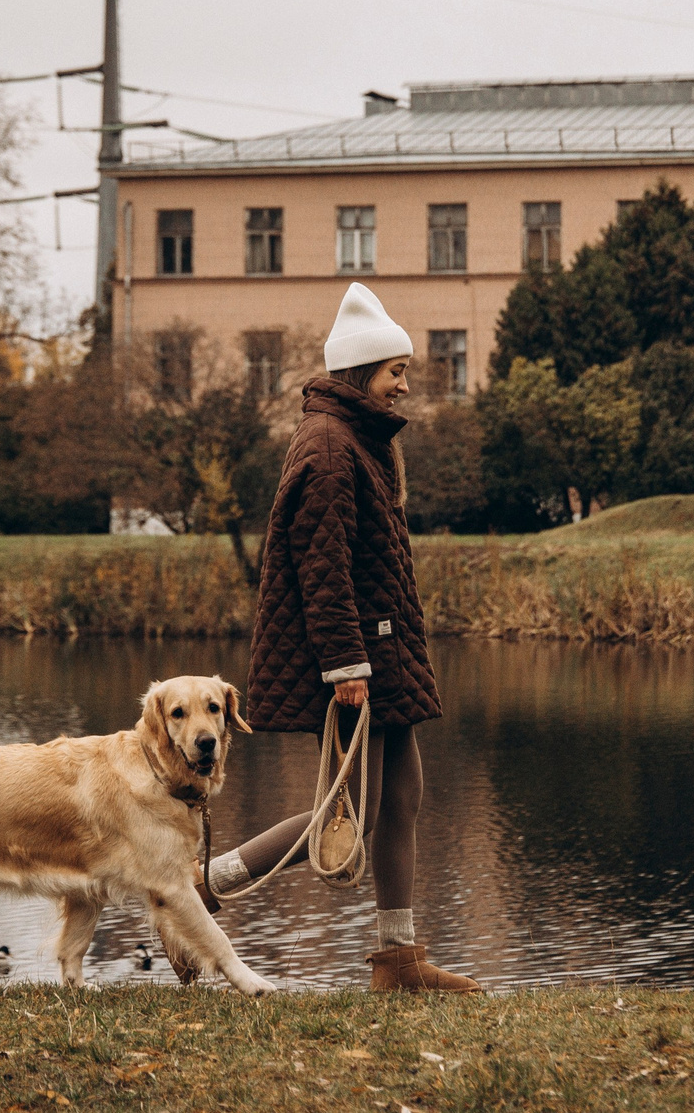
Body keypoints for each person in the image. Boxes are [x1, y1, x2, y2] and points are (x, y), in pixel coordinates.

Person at [198, 282, 482, 993]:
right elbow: (321, 565)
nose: (405, 384)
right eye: (395, 372)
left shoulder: (356, 439)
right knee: (342, 811)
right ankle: (201, 884)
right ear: (362, 372)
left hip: (382, 651)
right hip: (361, 658)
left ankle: (398, 957)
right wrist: (345, 664)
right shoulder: (329, 447)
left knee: (402, 796)